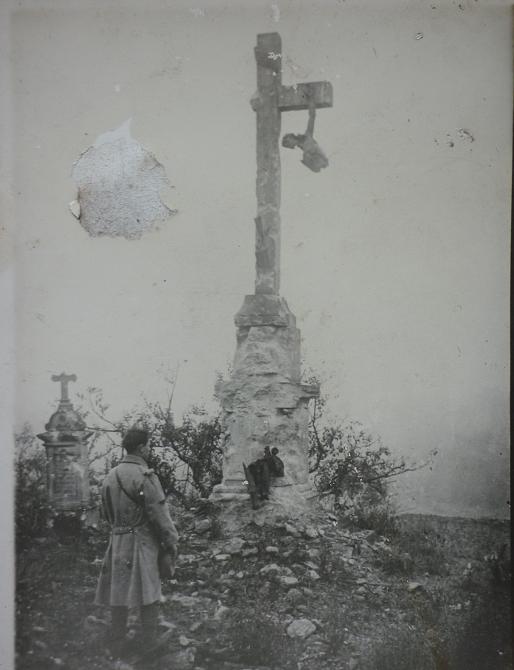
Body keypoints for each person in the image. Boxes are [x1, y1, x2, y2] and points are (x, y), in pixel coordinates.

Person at [94, 428, 179, 658]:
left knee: (118, 588)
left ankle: (116, 639)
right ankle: (148, 643)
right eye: (149, 446)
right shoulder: (145, 475)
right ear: (141, 447)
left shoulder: (110, 476)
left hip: (118, 539)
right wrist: (171, 542)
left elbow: (104, 512)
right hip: (141, 542)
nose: (150, 450)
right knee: (149, 589)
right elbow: (159, 514)